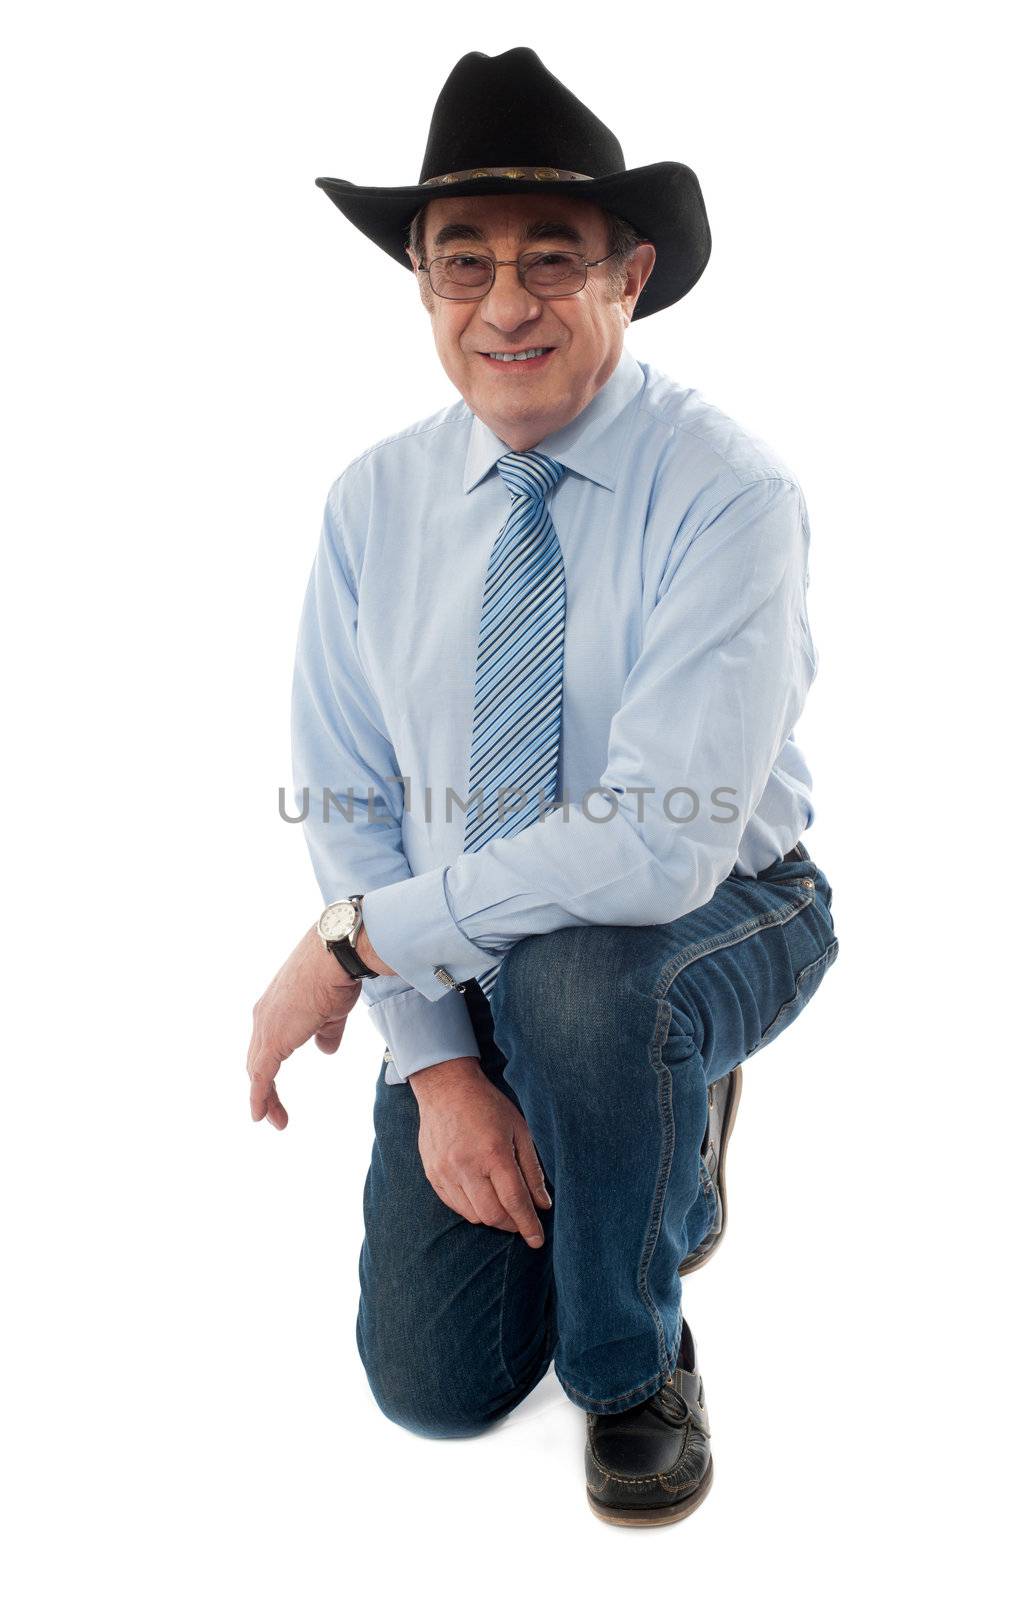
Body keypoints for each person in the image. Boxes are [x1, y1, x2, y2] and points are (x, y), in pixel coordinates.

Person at [246, 46, 840, 1527]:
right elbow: (344, 796)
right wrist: (440, 1066)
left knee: (589, 984)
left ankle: (633, 1359)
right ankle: (628, 1117)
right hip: (471, 944)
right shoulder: (371, 502)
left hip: (726, 909)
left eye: (549, 261)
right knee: (434, 1390)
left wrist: (354, 944)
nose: (503, 303)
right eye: (464, 264)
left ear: (626, 276)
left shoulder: (728, 494)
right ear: (423, 286)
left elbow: (655, 849)